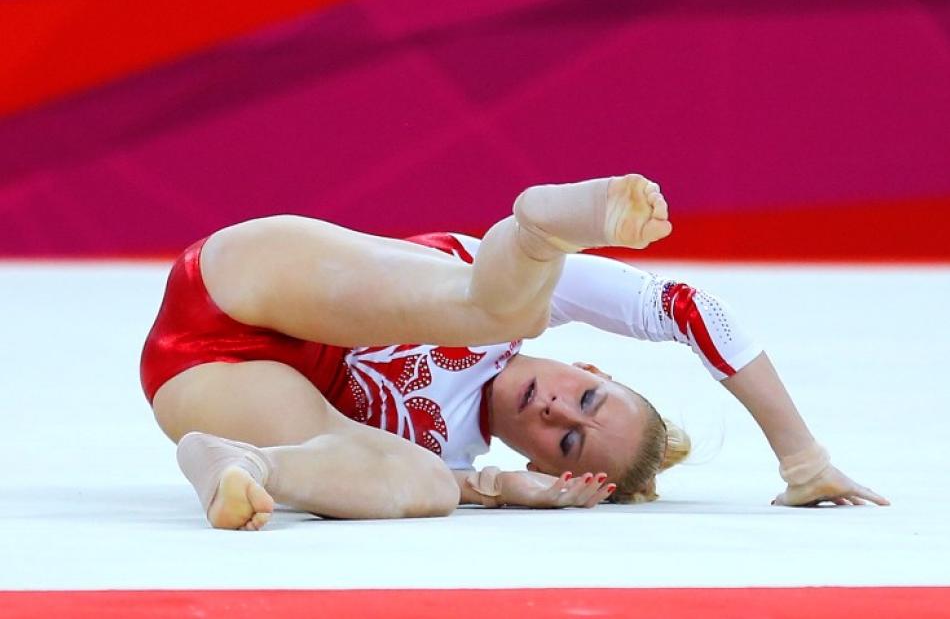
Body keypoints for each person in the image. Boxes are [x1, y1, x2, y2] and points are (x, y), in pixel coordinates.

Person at [140, 174, 889, 531]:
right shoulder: (539, 307)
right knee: (497, 303)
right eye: (588, 398)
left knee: (425, 487)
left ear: (545, 468)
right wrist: (802, 458)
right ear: (590, 368)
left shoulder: (465, 466)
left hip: (197, 381)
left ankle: (237, 465)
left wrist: (492, 489)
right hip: (255, 278)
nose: (561, 406)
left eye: (567, 439)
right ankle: (539, 227)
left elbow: (451, 484)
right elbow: (685, 308)